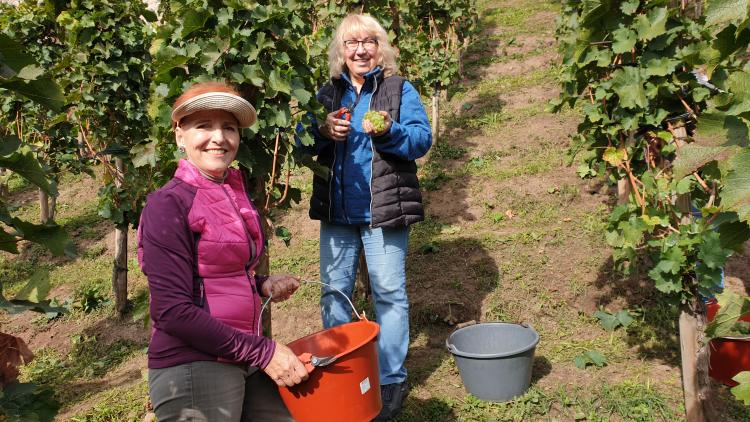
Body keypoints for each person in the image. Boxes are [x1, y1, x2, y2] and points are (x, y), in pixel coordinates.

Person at [137, 81, 308, 422]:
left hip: (239, 353)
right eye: (203, 126)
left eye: (228, 128)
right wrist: (263, 351)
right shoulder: (168, 204)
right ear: (179, 136)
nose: (218, 137)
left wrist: (259, 283)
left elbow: (215, 271)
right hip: (194, 362)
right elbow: (172, 310)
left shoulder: (231, 190)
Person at [305, 13, 432, 421]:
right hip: (338, 215)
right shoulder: (328, 94)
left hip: (383, 212)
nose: (360, 50)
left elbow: (421, 139)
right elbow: (299, 140)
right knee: (334, 293)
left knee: (389, 294)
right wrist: (322, 130)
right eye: (350, 43)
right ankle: (343, 368)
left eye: (368, 41)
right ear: (340, 52)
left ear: (380, 47)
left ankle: (391, 377)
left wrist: (390, 130)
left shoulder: (398, 89)